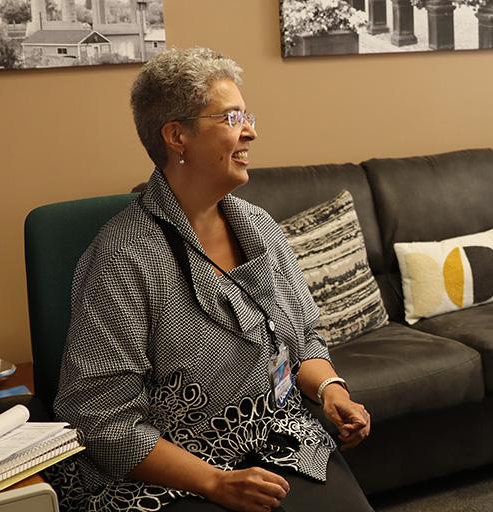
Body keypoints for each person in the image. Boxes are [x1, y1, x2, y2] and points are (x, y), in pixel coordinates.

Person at [48, 47, 374, 512]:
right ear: (177, 136)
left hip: (281, 437)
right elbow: (102, 422)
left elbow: (302, 337)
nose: (251, 132)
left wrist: (329, 390)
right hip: (171, 476)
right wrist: (217, 484)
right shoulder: (124, 259)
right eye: (231, 118)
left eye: (247, 116)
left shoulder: (259, 227)